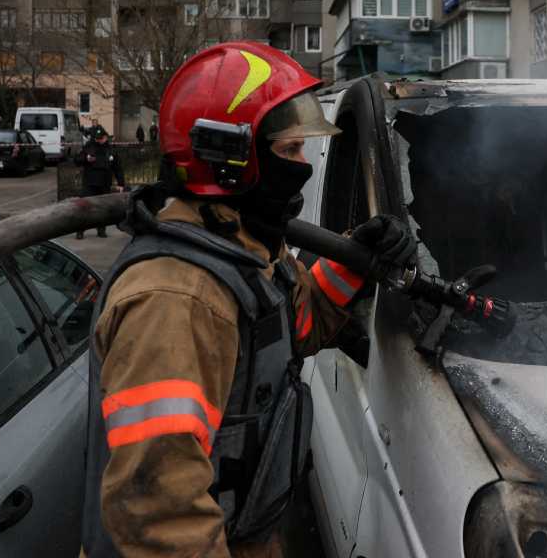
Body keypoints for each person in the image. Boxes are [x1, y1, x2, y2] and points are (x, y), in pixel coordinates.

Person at [80, 43, 416, 558]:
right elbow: (160, 518)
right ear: (230, 162)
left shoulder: (244, 248)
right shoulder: (174, 301)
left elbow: (296, 327)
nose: (304, 165)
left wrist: (355, 259)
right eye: (289, 151)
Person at [74, 126, 126, 239]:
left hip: (104, 183)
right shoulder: (88, 146)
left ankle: (101, 230)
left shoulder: (111, 149)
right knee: (84, 208)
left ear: (106, 137)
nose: (99, 140)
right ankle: (80, 231)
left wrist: (121, 183)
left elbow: (118, 168)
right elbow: (77, 160)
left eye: (101, 138)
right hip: (90, 183)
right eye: (97, 138)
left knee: (103, 209)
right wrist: (86, 159)